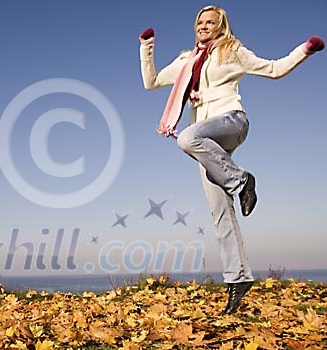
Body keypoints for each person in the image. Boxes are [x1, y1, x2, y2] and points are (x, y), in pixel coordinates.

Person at [138, 5, 324, 314]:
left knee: (186, 137)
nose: (204, 26)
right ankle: (238, 279)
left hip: (231, 122)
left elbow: (274, 69)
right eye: (200, 22)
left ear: (222, 27)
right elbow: (152, 81)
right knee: (219, 211)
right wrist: (147, 48)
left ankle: (242, 181)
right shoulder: (186, 61)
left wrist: (305, 50)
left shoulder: (231, 51)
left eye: (211, 22)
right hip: (207, 144)